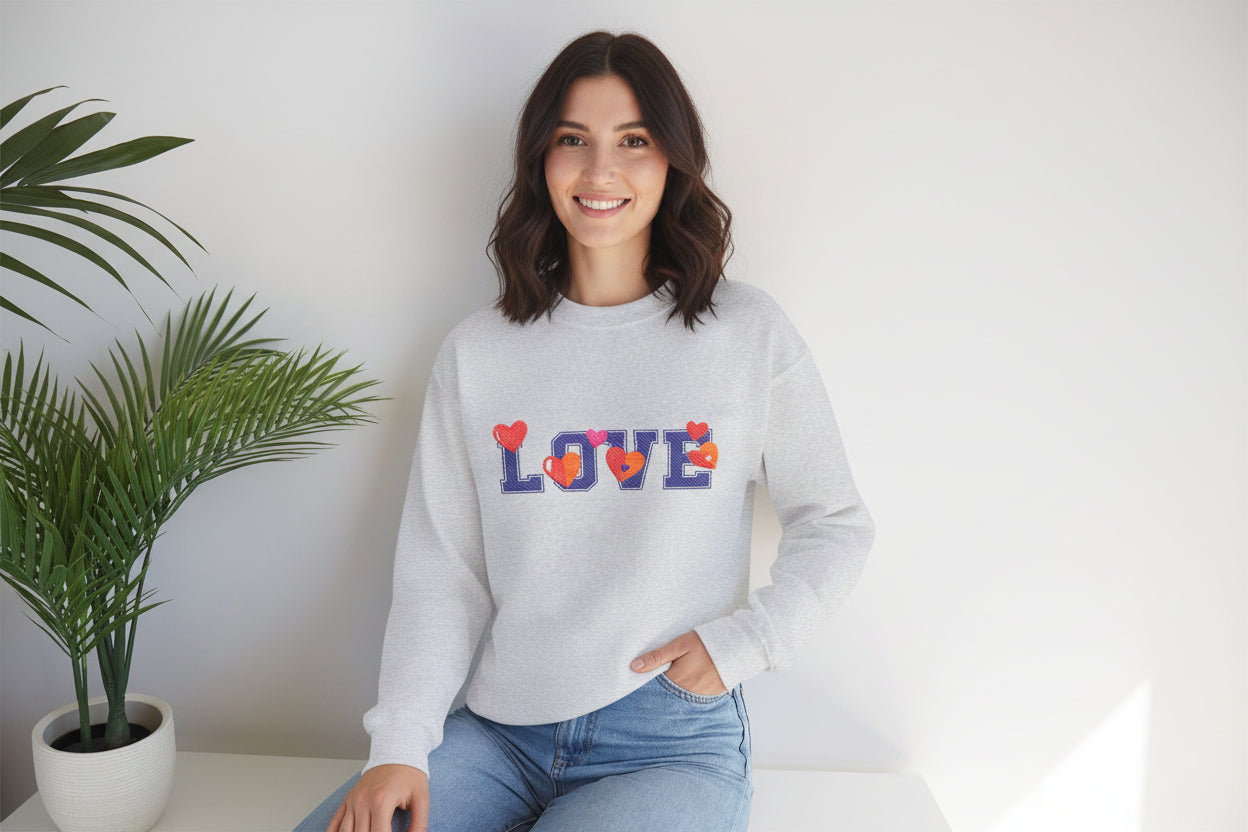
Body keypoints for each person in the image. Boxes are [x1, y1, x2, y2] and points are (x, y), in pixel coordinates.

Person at [295, 29, 874, 832]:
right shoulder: (480, 352)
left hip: (670, 740)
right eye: (574, 140)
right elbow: (443, 573)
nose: (600, 171)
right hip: (499, 733)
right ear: (542, 159)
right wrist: (398, 744)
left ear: (673, 159)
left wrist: (747, 642)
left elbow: (836, 524)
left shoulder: (745, 334)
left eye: (633, 141)